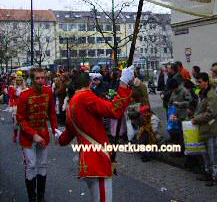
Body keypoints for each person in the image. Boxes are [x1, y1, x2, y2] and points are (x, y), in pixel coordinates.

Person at [56, 66, 134, 202]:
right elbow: (114, 110)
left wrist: (60, 137)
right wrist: (123, 83)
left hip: (87, 162)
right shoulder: (86, 96)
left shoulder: (72, 103)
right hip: (98, 160)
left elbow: (68, 134)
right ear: (90, 84)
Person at [17, 67, 58, 202]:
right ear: (32, 79)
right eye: (38, 78)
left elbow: (52, 112)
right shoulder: (24, 95)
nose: (41, 81)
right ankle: (32, 198)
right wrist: (33, 135)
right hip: (28, 137)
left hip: (43, 134)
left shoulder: (49, 92)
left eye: (43, 77)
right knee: (31, 165)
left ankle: (40, 197)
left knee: (43, 164)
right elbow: (20, 118)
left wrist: (55, 130)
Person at [192, 72, 217, 186]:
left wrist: (197, 119)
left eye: (200, 82)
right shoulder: (202, 93)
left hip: (212, 128)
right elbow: (201, 108)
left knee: (213, 153)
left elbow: (212, 113)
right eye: (197, 82)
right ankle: (208, 173)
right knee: (205, 153)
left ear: (206, 82)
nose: (198, 84)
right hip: (204, 127)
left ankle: (216, 177)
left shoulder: (211, 94)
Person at [9, 74, 27, 142]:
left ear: (22, 81)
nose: (19, 81)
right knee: (15, 123)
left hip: (23, 107)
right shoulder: (13, 88)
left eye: (20, 80)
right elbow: (11, 98)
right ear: (16, 81)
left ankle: (23, 136)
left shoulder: (25, 88)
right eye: (18, 80)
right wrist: (11, 106)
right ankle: (15, 135)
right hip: (15, 106)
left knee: (24, 122)